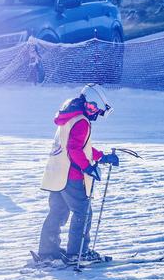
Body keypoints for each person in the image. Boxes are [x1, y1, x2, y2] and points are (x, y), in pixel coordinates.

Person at [37, 84, 120, 262]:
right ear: (87, 103)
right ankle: (78, 252)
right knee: (83, 212)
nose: (94, 113)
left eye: (96, 110)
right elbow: (75, 149)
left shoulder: (69, 117)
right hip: (72, 176)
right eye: (93, 108)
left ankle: (47, 250)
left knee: (57, 212)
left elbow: (81, 147)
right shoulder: (81, 121)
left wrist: (101, 157)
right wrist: (87, 167)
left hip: (56, 174)